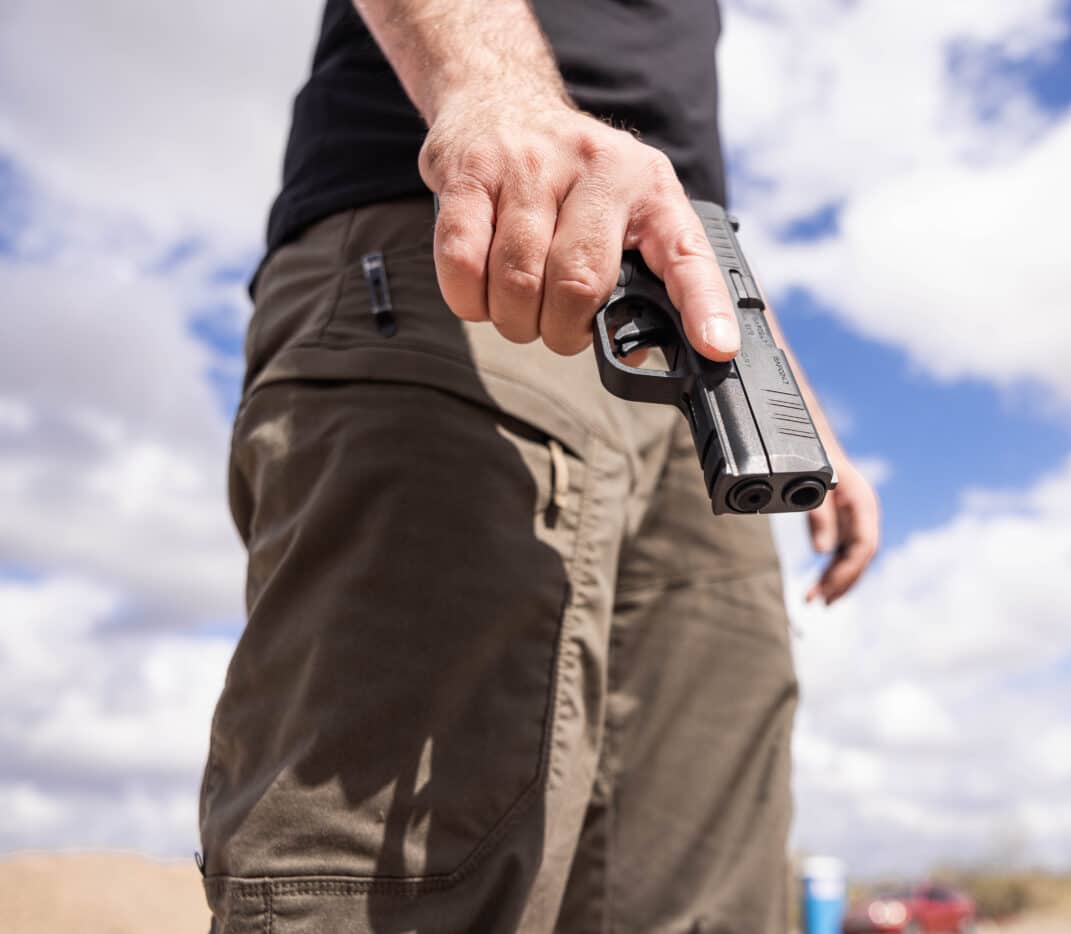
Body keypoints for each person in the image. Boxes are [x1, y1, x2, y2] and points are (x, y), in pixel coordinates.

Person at [197, 0, 880, 931]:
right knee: (391, 876)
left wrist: (781, 387)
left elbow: (680, 179)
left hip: (693, 351)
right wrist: (489, 91)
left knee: (711, 889)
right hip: (477, 243)